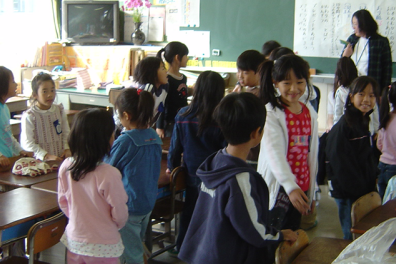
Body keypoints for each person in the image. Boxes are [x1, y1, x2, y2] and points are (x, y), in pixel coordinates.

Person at [178, 92, 298, 264]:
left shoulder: (215, 161)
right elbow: (253, 229)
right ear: (256, 133)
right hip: (223, 257)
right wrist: (278, 235)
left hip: (203, 253)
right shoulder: (241, 179)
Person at [58, 108, 129, 264]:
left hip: (75, 239)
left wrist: (81, 219)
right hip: (103, 243)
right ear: (105, 140)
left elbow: (63, 202)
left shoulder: (66, 166)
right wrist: (113, 225)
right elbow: (120, 212)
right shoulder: (109, 173)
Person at [167, 71, 227, 255]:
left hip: (191, 173)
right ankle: (206, 250)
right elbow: (226, 150)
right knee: (212, 214)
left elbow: (175, 146)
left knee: (190, 210)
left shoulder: (183, 114)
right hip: (215, 175)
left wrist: (172, 167)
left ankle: (182, 247)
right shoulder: (221, 117)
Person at [257, 55, 318, 232]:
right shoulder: (272, 113)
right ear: (275, 82)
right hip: (280, 189)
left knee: (292, 236)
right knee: (274, 237)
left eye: (300, 82)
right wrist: (290, 186)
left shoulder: (309, 112)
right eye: (287, 83)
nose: (294, 88)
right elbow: (274, 154)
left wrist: (311, 191)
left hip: (301, 187)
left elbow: (311, 155)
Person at [105, 88, 162, 264]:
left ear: (126, 115)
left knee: (129, 254)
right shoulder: (154, 136)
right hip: (148, 202)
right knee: (136, 244)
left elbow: (108, 169)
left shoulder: (126, 141)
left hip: (129, 206)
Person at [326, 76, 379, 240]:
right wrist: (360, 191)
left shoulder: (362, 120)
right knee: (351, 234)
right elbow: (341, 165)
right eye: (361, 94)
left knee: (360, 231)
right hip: (348, 192)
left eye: (371, 95)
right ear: (351, 97)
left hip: (360, 189)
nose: (366, 100)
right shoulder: (346, 125)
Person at [20, 73, 71, 161]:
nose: (50, 95)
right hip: (40, 161)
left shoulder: (59, 110)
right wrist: (46, 156)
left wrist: (67, 148)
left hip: (60, 158)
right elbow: (27, 143)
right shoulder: (30, 115)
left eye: (52, 90)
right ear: (35, 94)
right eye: (44, 91)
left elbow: (66, 132)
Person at [342, 9, 392, 94]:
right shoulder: (352, 39)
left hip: (372, 89)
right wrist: (345, 56)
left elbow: (387, 70)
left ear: (364, 24)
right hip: (353, 87)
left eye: (355, 24)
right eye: (352, 24)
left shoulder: (381, 41)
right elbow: (342, 65)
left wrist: (383, 93)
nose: (353, 27)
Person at [0, 66, 32, 167]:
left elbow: (8, 135)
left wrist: (20, 150)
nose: (15, 85)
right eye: (13, 81)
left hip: (8, 159)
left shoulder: (4, 108)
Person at [156, 41, 189, 138]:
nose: (187, 58)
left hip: (182, 119)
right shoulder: (166, 79)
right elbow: (161, 104)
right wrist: (159, 126)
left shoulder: (183, 78)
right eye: (186, 55)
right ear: (177, 57)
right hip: (170, 123)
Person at [133, 56, 169, 127]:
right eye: (163, 68)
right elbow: (139, 117)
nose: (166, 71)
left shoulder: (165, 87)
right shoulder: (147, 89)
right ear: (152, 73)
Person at [377, 81, 396, 199]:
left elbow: (379, 144)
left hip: (382, 166)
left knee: (382, 203)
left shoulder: (386, 116)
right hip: (394, 170)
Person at [332, 57, 358, 127]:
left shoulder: (341, 91)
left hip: (347, 127)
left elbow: (337, 114)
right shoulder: (361, 87)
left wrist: (335, 131)